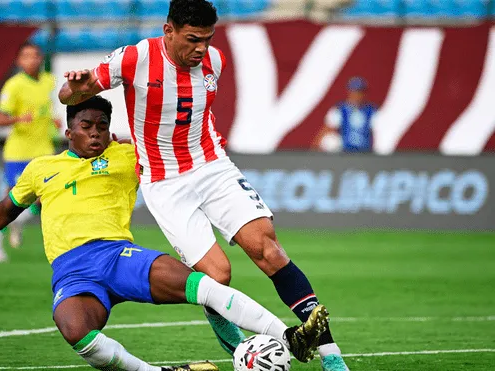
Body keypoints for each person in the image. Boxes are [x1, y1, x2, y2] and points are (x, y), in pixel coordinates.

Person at [0, 96, 329, 371]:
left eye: (102, 127)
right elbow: (7, 208)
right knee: (76, 331)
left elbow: (175, 154)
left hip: (117, 255)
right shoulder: (41, 168)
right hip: (71, 271)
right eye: (86, 126)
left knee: (202, 284)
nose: (95, 133)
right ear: (68, 131)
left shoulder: (127, 155)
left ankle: (290, 335)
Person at [57, 1, 350, 370]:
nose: (201, 49)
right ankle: (241, 353)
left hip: (211, 166)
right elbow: (70, 96)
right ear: (169, 31)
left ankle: (332, 358)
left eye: (207, 40)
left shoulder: (216, 61)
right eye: (193, 39)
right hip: (164, 183)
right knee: (216, 276)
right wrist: (75, 89)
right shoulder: (135, 58)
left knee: (269, 250)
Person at [0, 41, 61, 263]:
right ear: (19, 61)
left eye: (36, 55)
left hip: (44, 148)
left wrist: (53, 120)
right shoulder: (14, 85)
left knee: (42, 200)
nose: (32, 59)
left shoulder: (49, 81)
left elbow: (45, 108)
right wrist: (19, 118)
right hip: (19, 152)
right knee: (12, 200)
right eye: (26, 56)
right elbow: (0, 119)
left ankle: (16, 222)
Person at [315, 76, 377, 153]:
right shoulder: (340, 110)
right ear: (349, 92)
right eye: (355, 92)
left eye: (360, 92)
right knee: (330, 140)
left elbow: (377, 132)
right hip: (344, 150)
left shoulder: (371, 111)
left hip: (365, 150)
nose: (357, 95)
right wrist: (314, 151)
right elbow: (326, 130)